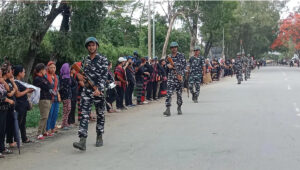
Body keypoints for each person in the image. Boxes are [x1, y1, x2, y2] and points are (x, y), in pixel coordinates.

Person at [73, 37, 108, 150]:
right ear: (87, 47)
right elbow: (82, 76)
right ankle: (82, 140)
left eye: (93, 45)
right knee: (84, 114)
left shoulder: (103, 59)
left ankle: (99, 136)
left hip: (99, 90)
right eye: (89, 45)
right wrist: (79, 77)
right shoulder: (85, 60)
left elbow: (104, 76)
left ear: (97, 46)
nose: (91, 47)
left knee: (100, 114)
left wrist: (99, 89)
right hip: (87, 91)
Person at [163, 42, 186, 116]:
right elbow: (165, 67)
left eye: (175, 47)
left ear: (177, 48)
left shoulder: (181, 56)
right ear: (170, 49)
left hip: (179, 77)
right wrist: (167, 66)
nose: (174, 49)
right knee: (169, 93)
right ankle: (168, 109)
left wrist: (181, 76)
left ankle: (179, 107)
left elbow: (184, 67)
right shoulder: (168, 57)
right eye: (172, 47)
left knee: (179, 94)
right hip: (171, 78)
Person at [33, 63, 53, 140]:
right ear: (41, 70)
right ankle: (39, 133)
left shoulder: (43, 77)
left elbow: (50, 85)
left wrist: (48, 85)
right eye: (45, 69)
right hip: (43, 98)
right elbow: (47, 86)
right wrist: (48, 85)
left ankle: (44, 131)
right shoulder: (37, 79)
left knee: (46, 116)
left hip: (48, 98)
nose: (46, 71)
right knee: (44, 116)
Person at [14, 65, 33, 143]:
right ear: (19, 73)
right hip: (19, 104)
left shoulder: (21, 82)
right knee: (19, 122)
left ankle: (24, 138)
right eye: (24, 72)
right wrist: (27, 91)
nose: (24, 73)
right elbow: (17, 94)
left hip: (24, 104)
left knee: (23, 122)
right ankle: (15, 139)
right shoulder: (15, 82)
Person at [0, 64, 14, 158]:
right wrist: (9, 100)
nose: (1, 75)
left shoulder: (2, 83)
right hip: (1, 108)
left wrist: (4, 82)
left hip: (4, 109)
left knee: (2, 130)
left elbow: (8, 90)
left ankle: (2, 147)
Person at [3, 62, 18, 148]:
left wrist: (13, 82)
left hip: (12, 105)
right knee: (6, 125)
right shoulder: (3, 81)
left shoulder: (9, 80)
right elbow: (9, 94)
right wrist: (13, 91)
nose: (12, 72)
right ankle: (5, 143)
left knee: (11, 124)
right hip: (6, 106)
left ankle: (10, 141)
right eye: (10, 71)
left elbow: (15, 90)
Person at [46, 61, 60, 136]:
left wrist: (57, 94)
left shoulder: (56, 77)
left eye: (54, 67)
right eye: (51, 67)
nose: (53, 69)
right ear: (48, 68)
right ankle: (47, 129)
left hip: (56, 98)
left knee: (55, 113)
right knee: (49, 114)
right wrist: (54, 92)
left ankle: (52, 128)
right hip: (49, 97)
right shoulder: (46, 76)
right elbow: (47, 88)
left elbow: (58, 87)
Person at [59, 63, 72, 130]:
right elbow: (62, 88)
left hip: (68, 95)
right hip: (65, 95)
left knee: (68, 109)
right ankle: (64, 124)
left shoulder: (67, 76)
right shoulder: (64, 77)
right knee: (66, 109)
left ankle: (65, 123)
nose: (69, 69)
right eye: (69, 68)